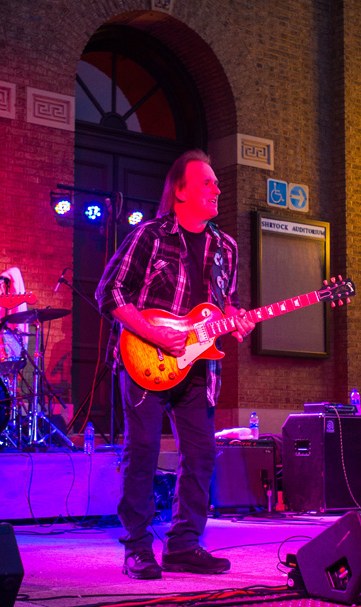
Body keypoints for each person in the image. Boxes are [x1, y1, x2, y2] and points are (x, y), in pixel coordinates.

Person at [95, 149, 255, 579]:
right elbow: (109, 293)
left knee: (202, 454)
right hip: (145, 361)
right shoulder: (150, 236)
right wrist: (151, 333)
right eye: (206, 182)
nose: (217, 189)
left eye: (217, 183)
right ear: (179, 191)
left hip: (200, 368)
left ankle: (184, 545)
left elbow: (227, 304)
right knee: (143, 450)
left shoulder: (227, 247)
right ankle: (137, 546)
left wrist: (236, 323)